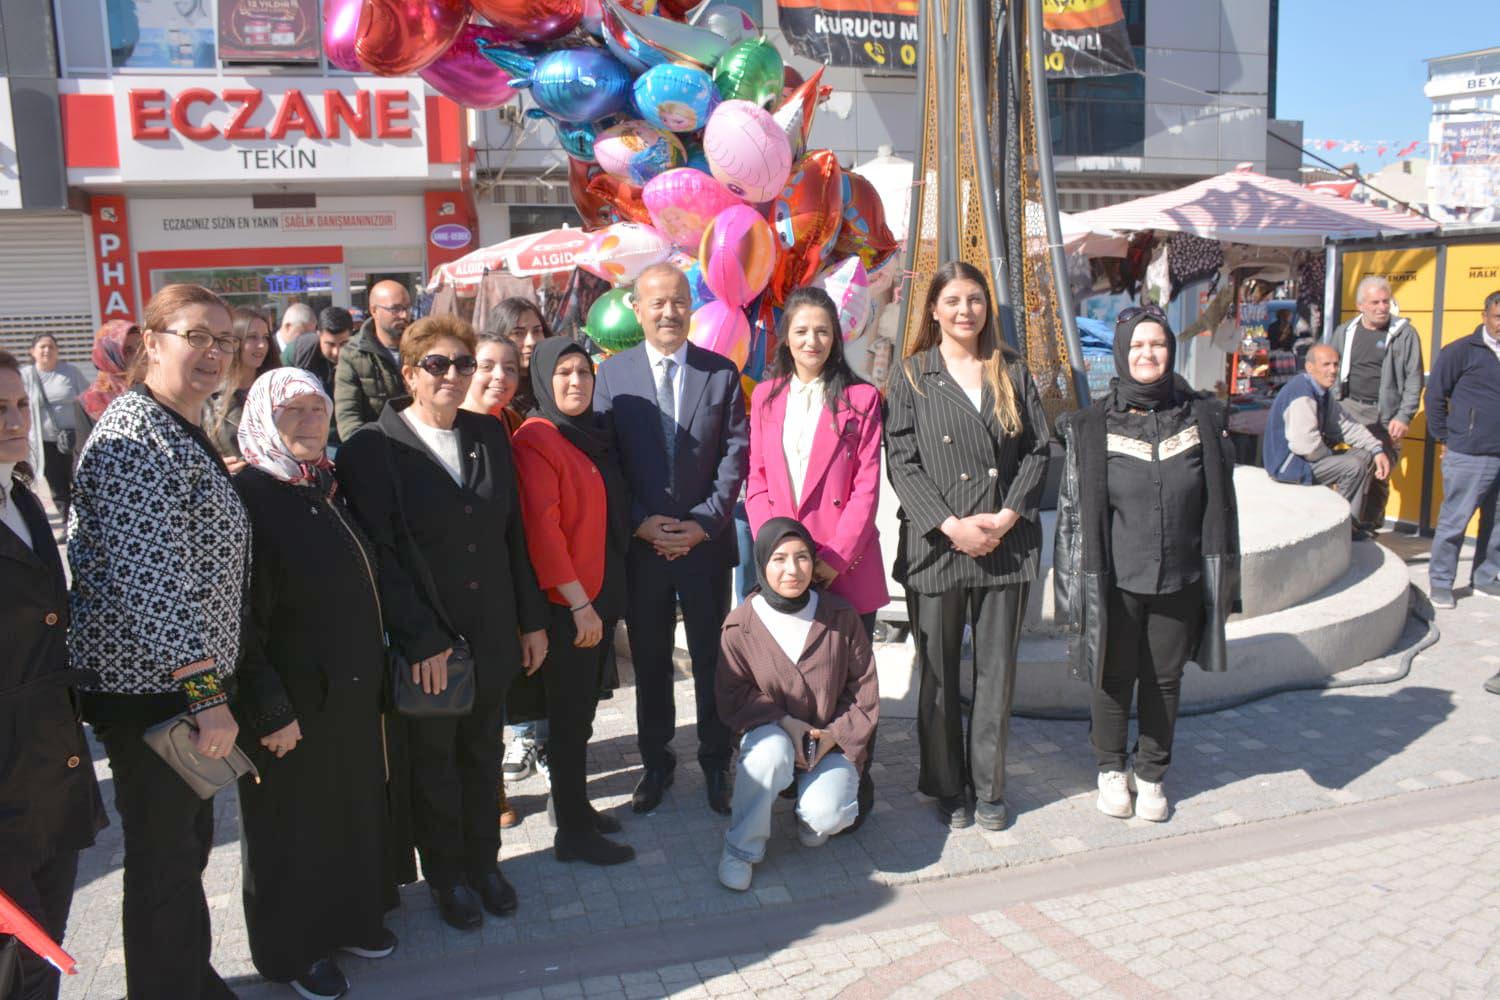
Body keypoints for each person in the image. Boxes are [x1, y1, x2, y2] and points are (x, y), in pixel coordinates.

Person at [336, 315, 548, 933]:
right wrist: (419, 637)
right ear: (409, 374)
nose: (453, 375)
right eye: (437, 365)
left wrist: (530, 620)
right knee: (434, 764)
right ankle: (448, 878)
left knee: (482, 753)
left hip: (492, 632)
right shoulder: (373, 449)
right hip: (427, 643)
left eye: (462, 364)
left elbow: (513, 536)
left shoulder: (486, 433)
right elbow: (377, 555)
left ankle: (486, 864)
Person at [68, 283, 249, 999]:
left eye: (224, 341)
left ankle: (185, 977)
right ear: (151, 343)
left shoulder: (176, 425)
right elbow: (155, 586)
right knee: (164, 864)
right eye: (196, 336)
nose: (213, 353)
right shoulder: (131, 437)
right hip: (155, 693)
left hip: (180, 689)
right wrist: (207, 696)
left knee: (185, 855)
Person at [232, 369, 397, 1000]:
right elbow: (240, 616)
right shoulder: (248, 494)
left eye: (317, 409)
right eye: (290, 411)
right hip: (287, 703)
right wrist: (268, 707)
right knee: (288, 828)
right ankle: (294, 952)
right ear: (261, 419)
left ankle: (350, 920)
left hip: (348, 692)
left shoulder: (320, 484)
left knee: (347, 810)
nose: (307, 422)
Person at [1053, 306, 1242, 823]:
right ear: (1120, 353)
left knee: (1164, 679)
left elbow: (1221, 502)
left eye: (1156, 344)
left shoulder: (1201, 416)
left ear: (1170, 351)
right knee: (1113, 677)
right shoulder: (1093, 426)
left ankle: (1153, 772)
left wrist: (1222, 575)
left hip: (1179, 575)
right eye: (1137, 345)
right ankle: (1111, 767)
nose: (1147, 354)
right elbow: (1074, 515)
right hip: (1115, 580)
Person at [885, 260, 1050, 832]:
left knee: (996, 673)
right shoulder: (911, 376)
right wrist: (950, 525)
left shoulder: (1012, 371)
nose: (965, 310)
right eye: (953, 300)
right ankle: (945, 785)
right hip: (938, 545)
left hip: (1005, 544)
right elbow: (901, 461)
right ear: (933, 309)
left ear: (987, 308)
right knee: (937, 671)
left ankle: (990, 788)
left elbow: (1038, 450)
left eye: (975, 299)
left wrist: (1005, 517)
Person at [594, 263, 750, 815]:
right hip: (642, 548)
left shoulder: (721, 372)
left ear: (693, 306)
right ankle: (656, 764)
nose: (668, 312)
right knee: (653, 660)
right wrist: (639, 520)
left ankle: (716, 762)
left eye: (679, 301)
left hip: (704, 547)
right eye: (656, 302)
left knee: (714, 658)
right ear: (636, 310)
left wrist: (704, 522)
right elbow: (606, 461)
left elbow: (735, 456)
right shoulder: (612, 377)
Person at [0, 350, 107, 1000]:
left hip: (51, 779)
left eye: (18, 405)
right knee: (21, 966)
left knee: (45, 958)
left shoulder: (23, 499)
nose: (14, 419)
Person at [511, 338, 635, 865]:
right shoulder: (537, 438)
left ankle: (578, 810)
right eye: (563, 372)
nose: (575, 381)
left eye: (584, 371)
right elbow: (543, 531)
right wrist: (580, 604)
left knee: (581, 714)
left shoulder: (590, 435)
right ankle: (572, 835)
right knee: (565, 720)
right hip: (569, 605)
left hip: (597, 596)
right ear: (543, 378)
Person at [715, 518, 878, 892]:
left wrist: (831, 736)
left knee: (828, 814)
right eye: (779, 558)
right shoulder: (741, 626)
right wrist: (786, 723)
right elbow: (733, 694)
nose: (793, 569)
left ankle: (808, 814)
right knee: (767, 754)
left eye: (803, 557)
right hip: (773, 733)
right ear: (761, 563)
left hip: (830, 739)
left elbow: (863, 691)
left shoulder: (840, 616)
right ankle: (740, 849)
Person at [745, 286, 889, 633]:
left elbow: (865, 489)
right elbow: (757, 479)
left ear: (836, 338)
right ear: (786, 338)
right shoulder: (765, 397)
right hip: (784, 566)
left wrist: (834, 559)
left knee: (847, 681)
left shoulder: (861, 398)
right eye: (801, 331)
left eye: (822, 331)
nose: (812, 341)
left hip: (843, 562)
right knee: (787, 681)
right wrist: (775, 550)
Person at [1424, 290, 1500, 625]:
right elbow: (1436, 395)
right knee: (1455, 521)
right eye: (1498, 317)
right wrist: (1446, 438)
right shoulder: (1460, 351)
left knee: (1497, 525)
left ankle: (1485, 577)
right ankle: (1441, 583)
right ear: (1485, 315)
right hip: (1469, 453)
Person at [1326, 276, 1424, 529]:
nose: (1382, 307)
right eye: (1375, 303)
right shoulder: (1345, 332)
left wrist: (1404, 416)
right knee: (1329, 459)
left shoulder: (1404, 334)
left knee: (1379, 469)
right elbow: (1328, 367)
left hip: (1383, 412)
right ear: (1361, 305)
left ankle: (1369, 526)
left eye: (1385, 301)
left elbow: (1414, 378)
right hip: (1346, 405)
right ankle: (1329, 519)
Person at [1263, 343, 1390, 531]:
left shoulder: (1322, 392)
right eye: (1326, 365)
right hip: (1289, 466)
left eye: (1336, 365)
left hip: (1307, 458)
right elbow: (1305, 445)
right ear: (1309, 367)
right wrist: (1332, 457)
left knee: (1364, 455)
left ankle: (1348, 523)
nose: (1333, 370)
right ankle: (1340, 527)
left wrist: (1377, 449)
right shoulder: (1301, 393)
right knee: (1353, 467)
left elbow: (1346, 426)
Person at [20, 334, 89, 526]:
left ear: (57, 350)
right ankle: (69, 526)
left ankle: (86, 523)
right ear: (32, 352)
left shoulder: (71, 372)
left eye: (51, 347)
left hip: (74, 439)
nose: (46, 351)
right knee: (57, 488)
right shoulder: (26, 375)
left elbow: (87, 398)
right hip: (45, 444)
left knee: (80, 483)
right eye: (42, 347)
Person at [335, 280, 411, 441]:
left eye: (407, 308)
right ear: (374, 310)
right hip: (379, 446)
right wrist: (363, 453)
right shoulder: (353, 353)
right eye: (396, 309)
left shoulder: (423, 345)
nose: (404, 315)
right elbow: (348, 415)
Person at [205, 306, 279, 469]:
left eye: (265, 337)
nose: (261, 345)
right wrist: (217, 467)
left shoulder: (279, 390)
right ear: (234, 341)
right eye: (252, 337)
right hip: (233, 485)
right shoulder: (209, 396)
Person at [289, 306, 355, 449]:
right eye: (330, 344)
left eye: (344, 344)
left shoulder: (361, 356)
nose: (337, 352)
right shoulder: (299, 352)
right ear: (318, 334)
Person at [74, 319, 142, 447]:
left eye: (141, 347)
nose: (139, 356)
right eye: (128, 351)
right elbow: (83, 454)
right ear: (109, 355)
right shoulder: (91, 401)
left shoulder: (159, 391)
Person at [493, 297, 551, 416]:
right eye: (518, 333)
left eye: (537, 331)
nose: (531, 342)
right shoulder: (492, 393)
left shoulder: (555, 384)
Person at [462, 331, 523, 436]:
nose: (500, 375)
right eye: (486, 367)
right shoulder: (450, 422)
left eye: (509, 369)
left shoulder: (514, 422)